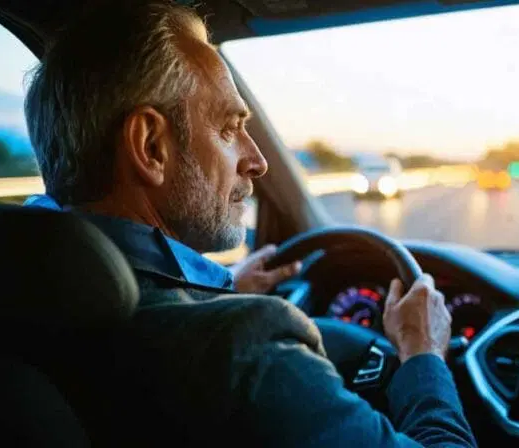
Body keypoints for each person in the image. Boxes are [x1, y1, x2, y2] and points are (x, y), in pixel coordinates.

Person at [23, 1, 477, 446]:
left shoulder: (10, 298)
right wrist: (422, 355)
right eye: (228, 128)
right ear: (151, 147)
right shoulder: (248, 349)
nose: (257, 161)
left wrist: (210, 295)